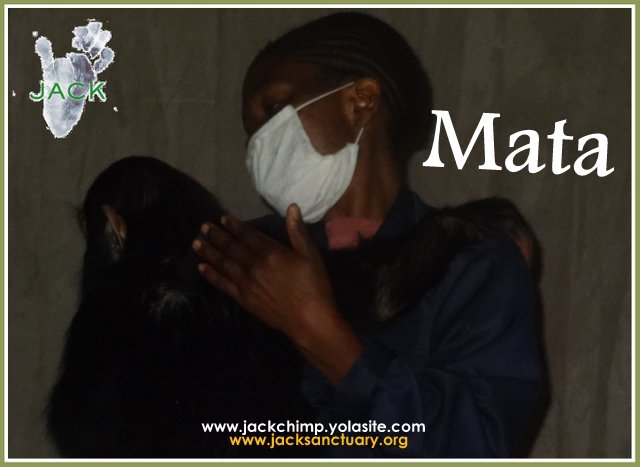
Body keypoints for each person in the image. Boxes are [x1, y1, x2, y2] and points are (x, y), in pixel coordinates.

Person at [192, 11, 543, 458]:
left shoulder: (473, 267)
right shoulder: (241, 258)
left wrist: (322, 337)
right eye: (251, 130)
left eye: (274, 110)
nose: (258, 144)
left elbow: (476, 445)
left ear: (361, 101)